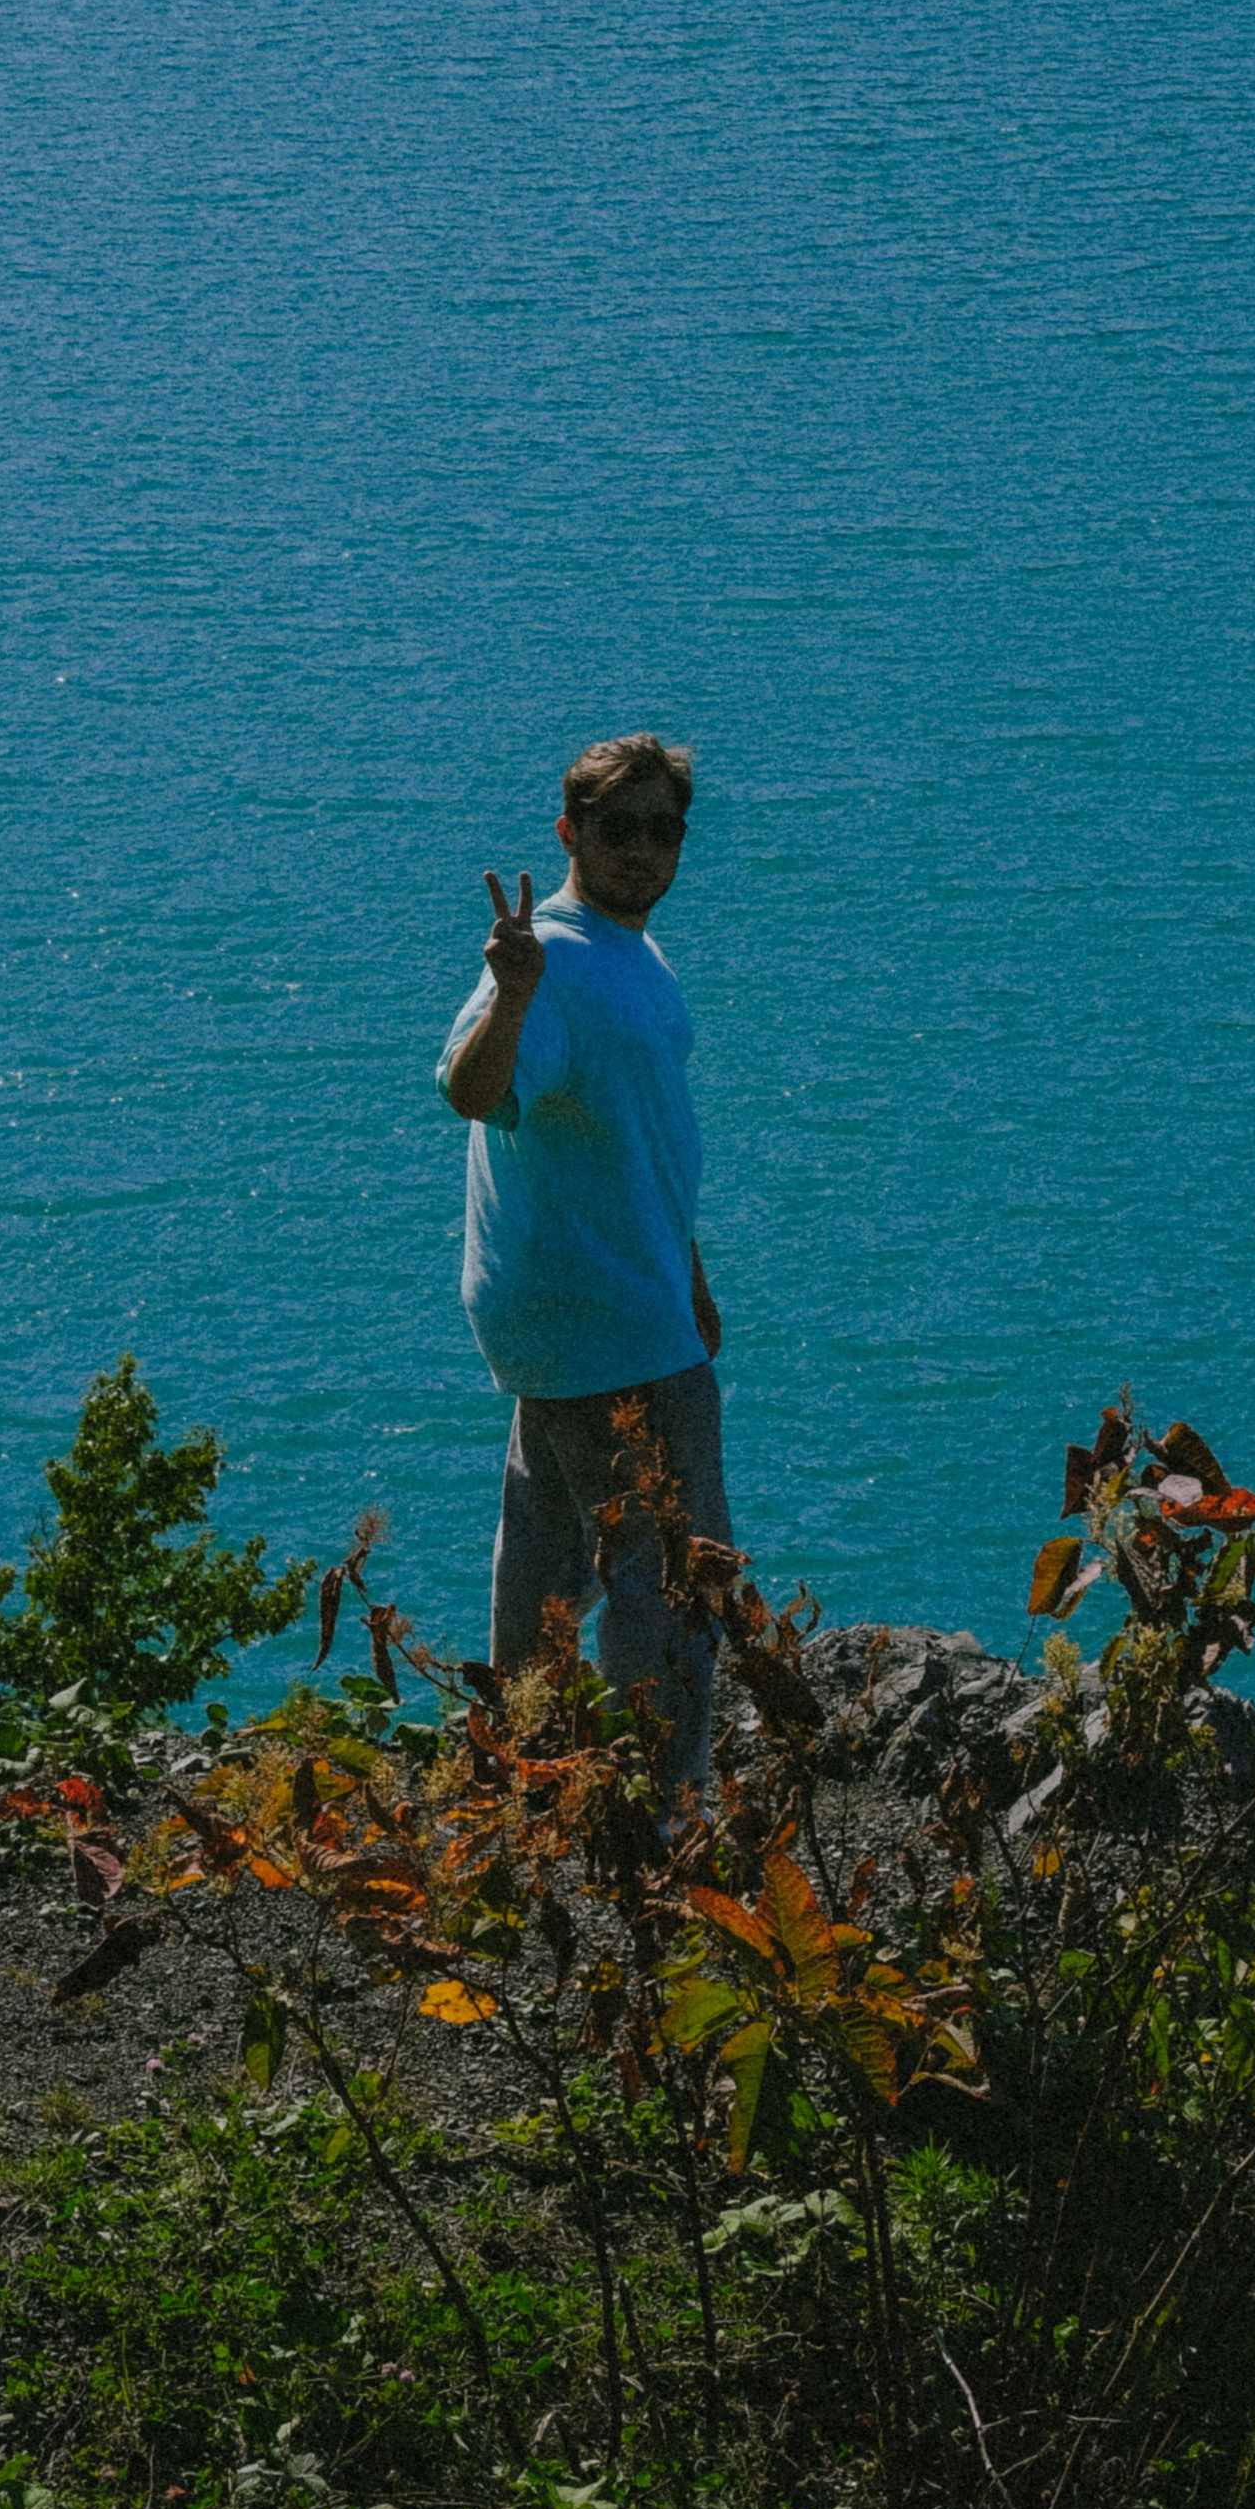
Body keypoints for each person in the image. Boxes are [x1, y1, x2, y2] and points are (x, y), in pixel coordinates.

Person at [437, 732, 732, 1793]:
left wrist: (688, 1274)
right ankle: (667, 1824)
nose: (643, 850)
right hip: (612, 1328)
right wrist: (511, 994)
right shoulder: (552, 961)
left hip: (569, 1321)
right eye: (617, 830)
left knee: (548, 1580)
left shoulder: (629, 953)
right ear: (569, 834)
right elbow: (472, 1092)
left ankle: (522, 1794)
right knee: (677, 1592)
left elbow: (640, 1138)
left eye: (663, 830)